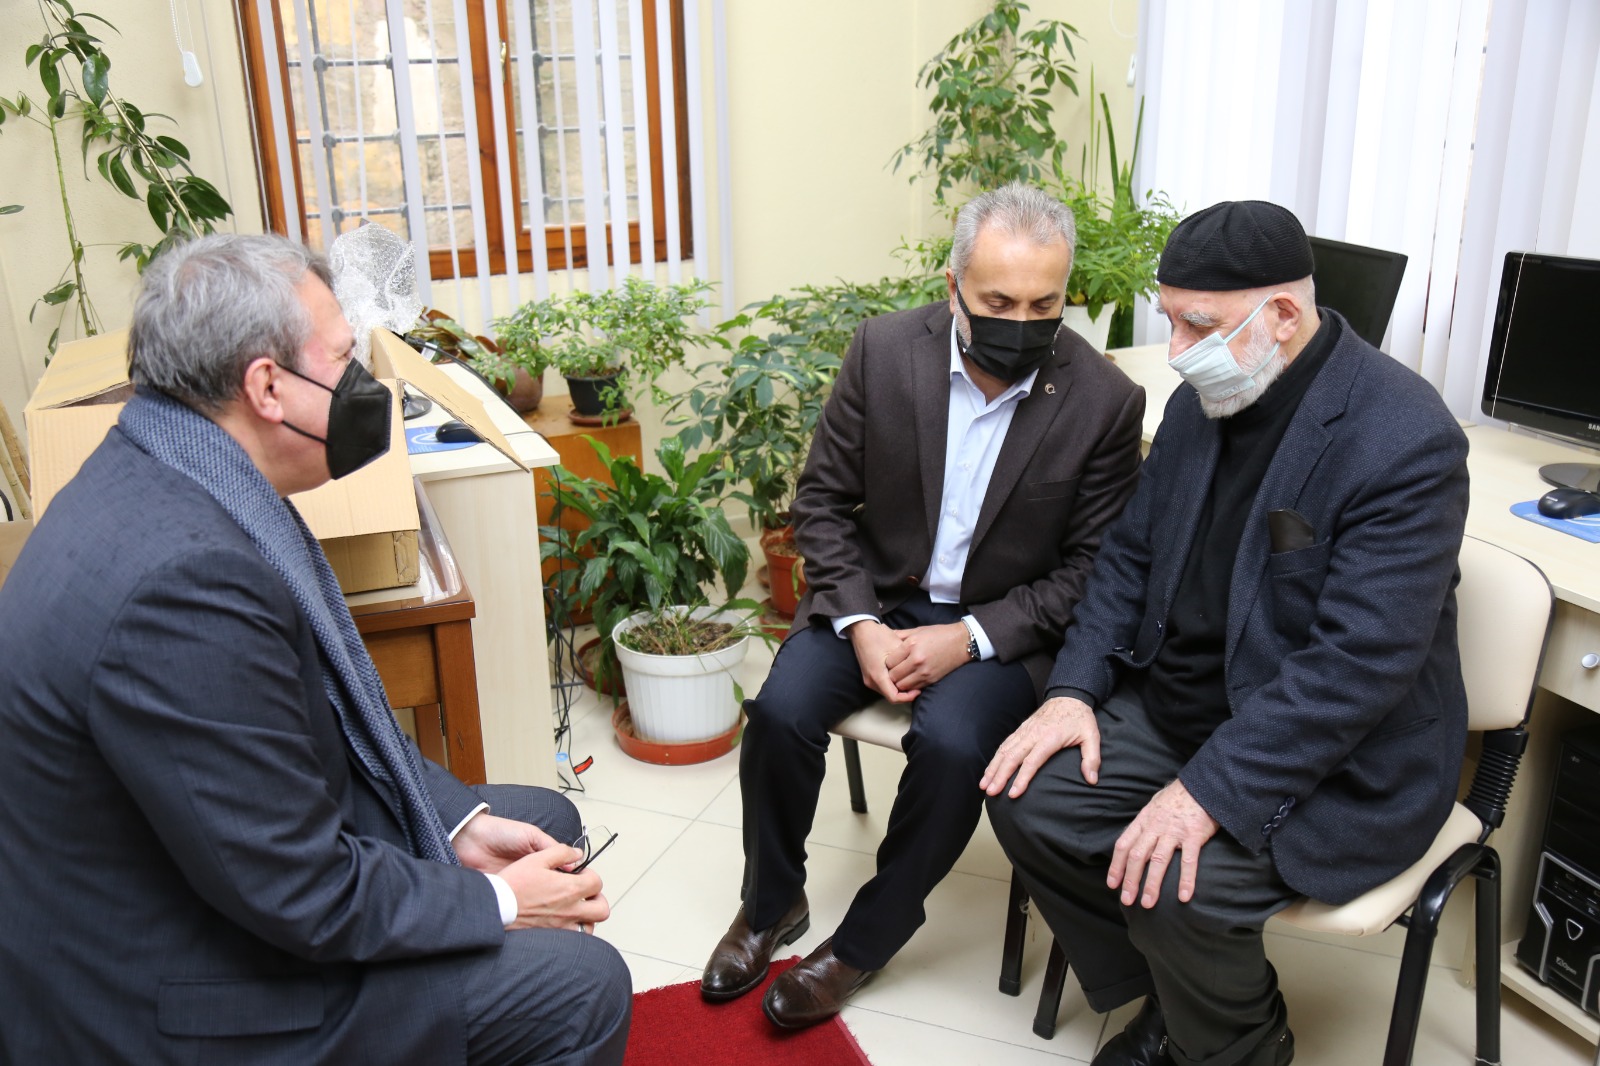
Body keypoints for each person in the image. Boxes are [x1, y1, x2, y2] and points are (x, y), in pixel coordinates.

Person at [0, 234, 631, 1066]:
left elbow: (321, 734)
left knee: (540, 817)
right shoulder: (183, 582)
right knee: (583, 987)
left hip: (198, 874)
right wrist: (493, 903)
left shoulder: (175, 463)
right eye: (343, 360)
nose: (366, 388)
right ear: (266, 386)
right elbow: (298, 889)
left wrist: (461, 827)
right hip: (165, 991)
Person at [982, 200, 1471, 1066]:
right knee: (1027, 795)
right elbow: (1128, 561)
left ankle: (1239, 1046)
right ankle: (1183, 1004)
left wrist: (1204, 793)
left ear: (1282, 314)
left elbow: (1358, 667)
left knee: (1176, 887)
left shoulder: (1404, 437)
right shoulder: (1207, 394)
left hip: (1335, 755)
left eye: (1196, 324)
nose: (1175, 349)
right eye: (1169, 319)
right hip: (1183, 703)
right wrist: (1070, 692)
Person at [701, 183, 1147, 1029]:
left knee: (951, 746)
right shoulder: (883, 351)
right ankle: (771, 906)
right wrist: (861, 623)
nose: (1023, 318)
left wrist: (971, 639)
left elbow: (1094, 569)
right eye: (998, 301)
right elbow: (823, 502)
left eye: (1044, 302)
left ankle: (862, 944)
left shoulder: (1103, 401)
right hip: (878, 597)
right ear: (953, 288)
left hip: (1000, 626)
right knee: (780, 713)